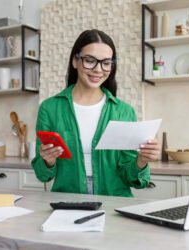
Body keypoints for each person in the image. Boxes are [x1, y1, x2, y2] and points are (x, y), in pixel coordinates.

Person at [32, 29, 160, 197]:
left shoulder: (124, 111)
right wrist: (48, 161)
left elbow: (131, 178)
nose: (98, 69)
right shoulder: (50, 109)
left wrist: (142, 160)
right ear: (75, 61)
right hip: (68, 203)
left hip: (114, 204)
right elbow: (43, 175)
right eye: (90, 60)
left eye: (106, 62)